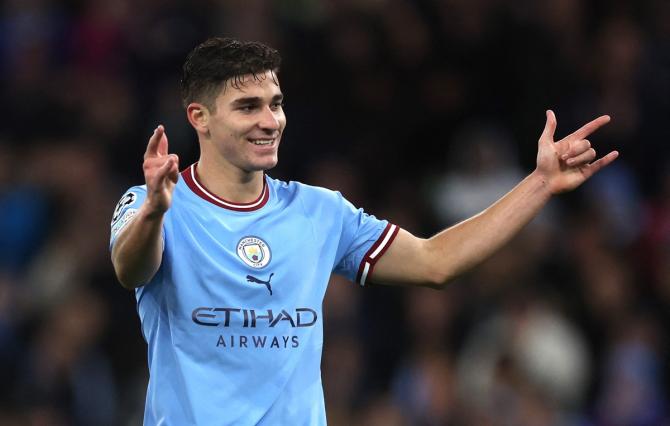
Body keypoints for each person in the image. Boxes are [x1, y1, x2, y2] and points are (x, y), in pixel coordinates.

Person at [109, 37, 618, 425]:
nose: (270, 120)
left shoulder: (319, 212)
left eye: (276, 103)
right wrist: (155, 209)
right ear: (199, 117)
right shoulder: (153, 205)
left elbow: (434, 262)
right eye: (248, 107)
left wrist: (540, 183)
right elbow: (131, 270)